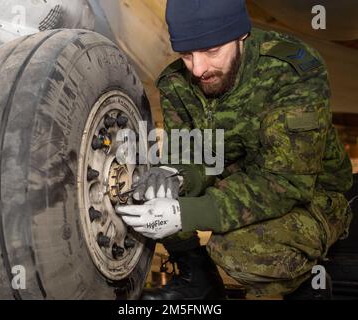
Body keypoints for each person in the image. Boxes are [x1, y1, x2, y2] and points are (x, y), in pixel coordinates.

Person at [116, 0, 353, 299]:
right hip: (233, 182)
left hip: (311, 194)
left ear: (241, 35)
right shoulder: (176, 83)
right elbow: (196, 158)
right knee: (158, 187)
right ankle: (198, 279)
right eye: (187, 55)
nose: (198, 69)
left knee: (236, 250)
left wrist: (183, 214)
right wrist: (175, 175)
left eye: (212, 51)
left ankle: (306, 287)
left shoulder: (292, 73)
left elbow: (286, 183)